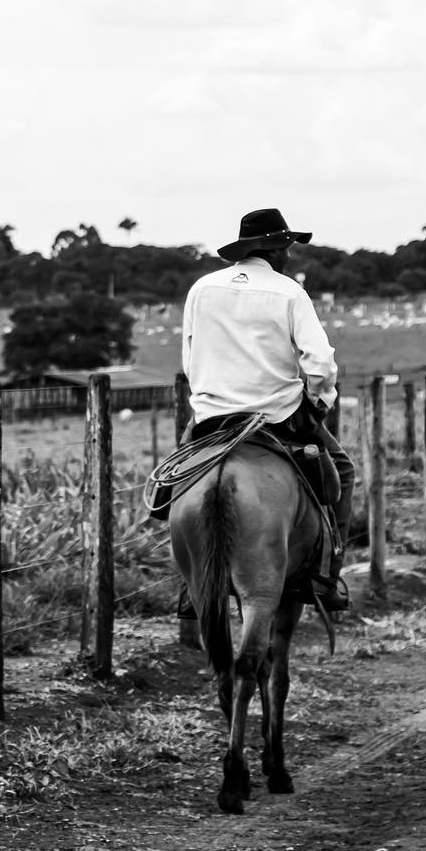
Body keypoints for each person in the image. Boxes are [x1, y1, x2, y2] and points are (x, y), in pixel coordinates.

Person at [179, 207, 353, 612]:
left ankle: (188, 584)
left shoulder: (201, 289)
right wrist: (319, 401)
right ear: (275, 249)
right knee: (342, 469)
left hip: (213, 415)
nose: (290, 255)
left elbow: (190, 356)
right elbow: (320, 360)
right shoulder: (289, 292)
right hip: (277, 414)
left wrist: (209, 397)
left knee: (175, 478)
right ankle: (326, 577)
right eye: (287, 246)